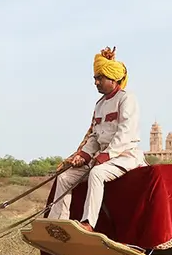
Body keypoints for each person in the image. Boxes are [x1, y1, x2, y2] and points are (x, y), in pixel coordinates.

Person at [48, 46, 146, 231]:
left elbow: (125, 133)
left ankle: (88, 223)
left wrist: (105, 156)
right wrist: (84, 155)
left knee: (96, 174)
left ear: (113, 79)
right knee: (64, 177)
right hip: (101, 158)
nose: (96, 82)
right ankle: (57, 223)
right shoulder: (100, 104)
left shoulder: (127, 99)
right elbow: (94, 135)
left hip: (125, 157)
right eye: (95, 78)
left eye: (99, 78)